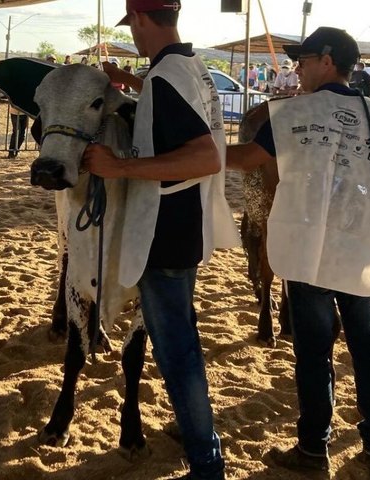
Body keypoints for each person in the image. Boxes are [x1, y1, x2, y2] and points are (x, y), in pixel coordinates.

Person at [225, 26, 370, 479]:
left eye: (304, 59)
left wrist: (199, 154)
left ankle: (314, 450)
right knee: (368, 347)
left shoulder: (294, 114)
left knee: (315, 353)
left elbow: (247, 160)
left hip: (309, 251)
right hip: (360, 249)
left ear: (328, 60)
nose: (297, 68)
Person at [84, 1, 236, 478]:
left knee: (177, 352)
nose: (136, 37)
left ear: (144, 20)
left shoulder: (167, 77)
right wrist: (132, 83)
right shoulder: (190, 66)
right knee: (181, 337)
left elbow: (205, 156)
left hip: (163, 230)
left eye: (135, 27)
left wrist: (120, 167)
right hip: (186, 224)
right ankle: (195, 428)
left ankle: (207, 460)